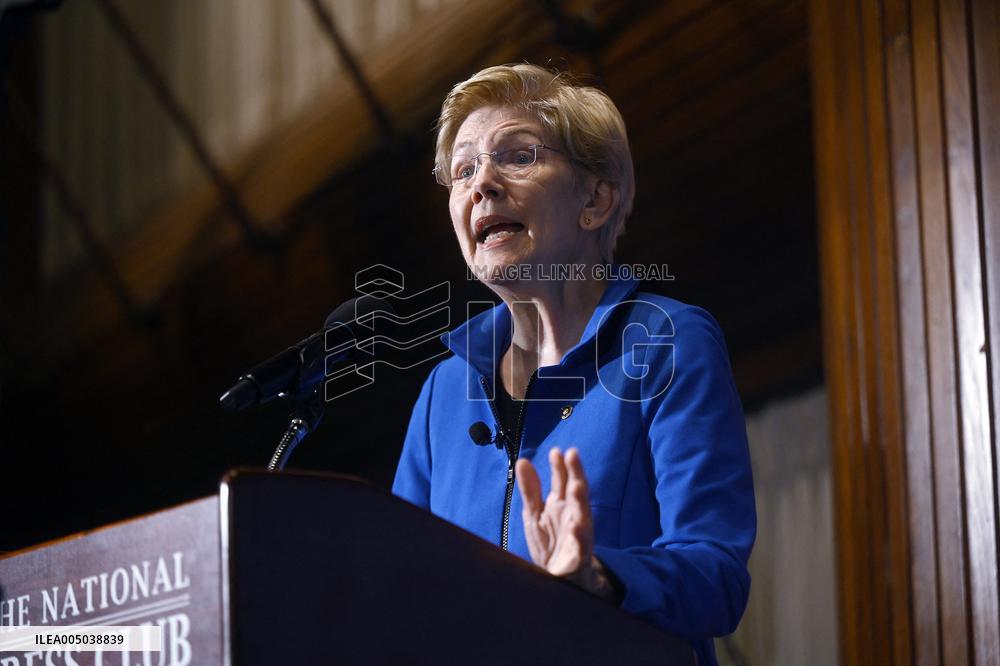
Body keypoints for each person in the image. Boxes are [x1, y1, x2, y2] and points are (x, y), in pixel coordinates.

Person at [392, 63, 755, 666]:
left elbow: (716, 576)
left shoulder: (666, 343)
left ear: (596, 199)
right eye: (463, 170)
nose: (481, 184)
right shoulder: (442, 391)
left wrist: (598, 576)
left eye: (517, 156)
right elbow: (397, 587)